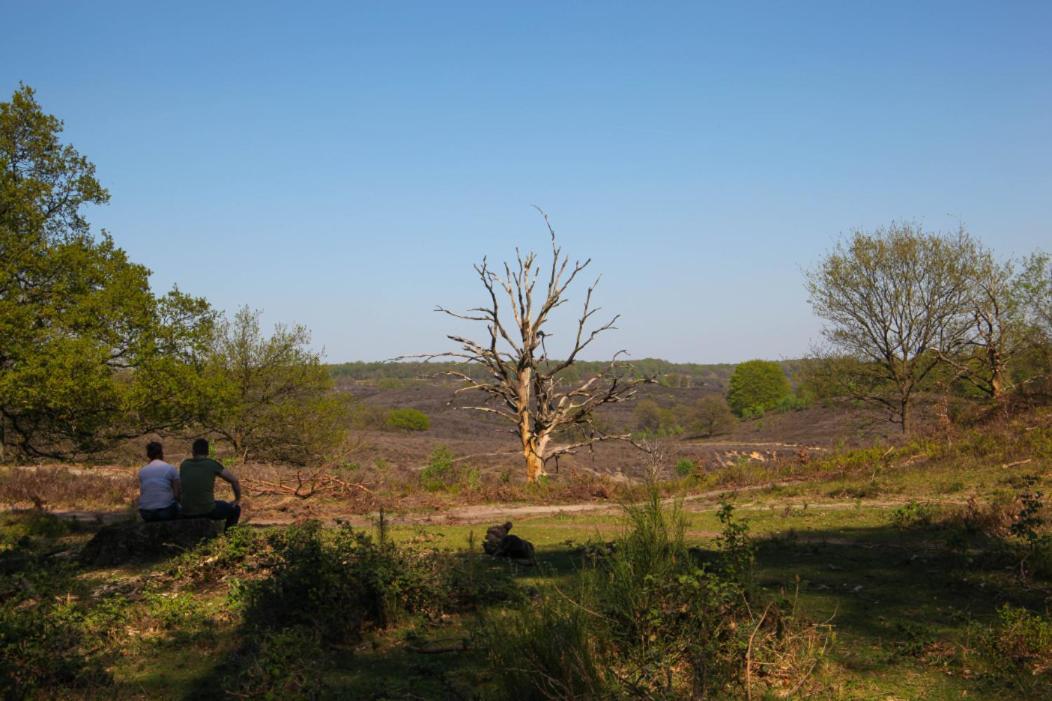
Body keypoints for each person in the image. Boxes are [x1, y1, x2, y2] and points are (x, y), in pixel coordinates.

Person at [179, 438, 242, 528]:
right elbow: (234, 480)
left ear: (193, 452)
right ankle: (229, 536)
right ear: (208, 452)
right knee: (235, 509)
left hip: (186, 510)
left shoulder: (184, 465)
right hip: (207, 510)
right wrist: (237, 499)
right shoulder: (211, 464)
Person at [138, 441, 180, 522]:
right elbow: (177, 495)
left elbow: (143, 493)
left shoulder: (142, 471)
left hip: (145, 513)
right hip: (165, 511)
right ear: (160, 453)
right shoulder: (170, 468)